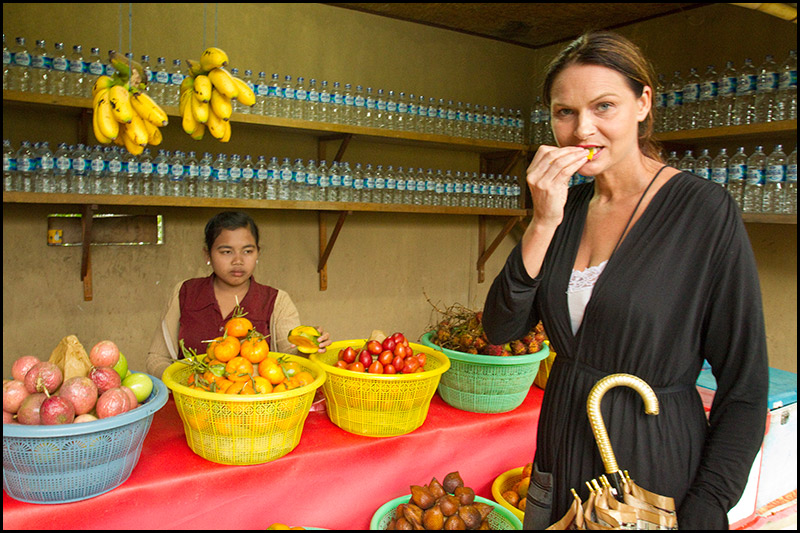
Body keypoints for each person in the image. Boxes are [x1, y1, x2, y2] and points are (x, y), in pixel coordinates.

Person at [482, 31, 768, 530]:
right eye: (564, 112)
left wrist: (708, 503)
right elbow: (501, 329)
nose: (581, 129)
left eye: (604, 106)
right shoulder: (565, 211)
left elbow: (744, 385)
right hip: (562, 446)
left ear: (643, 103)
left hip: (653, 460)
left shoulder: (701, 211)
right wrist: (541, 221)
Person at [147, 210, 331, 379]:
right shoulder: (185, 292)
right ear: (207, 255)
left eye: (247, 251)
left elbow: (289, 359)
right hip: (192, 404)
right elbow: (156, 358)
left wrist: (309, 346)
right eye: (226, 252)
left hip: (255, 406)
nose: (238, 261)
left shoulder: (276, 300)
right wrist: (189, 382)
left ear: (258, 253)